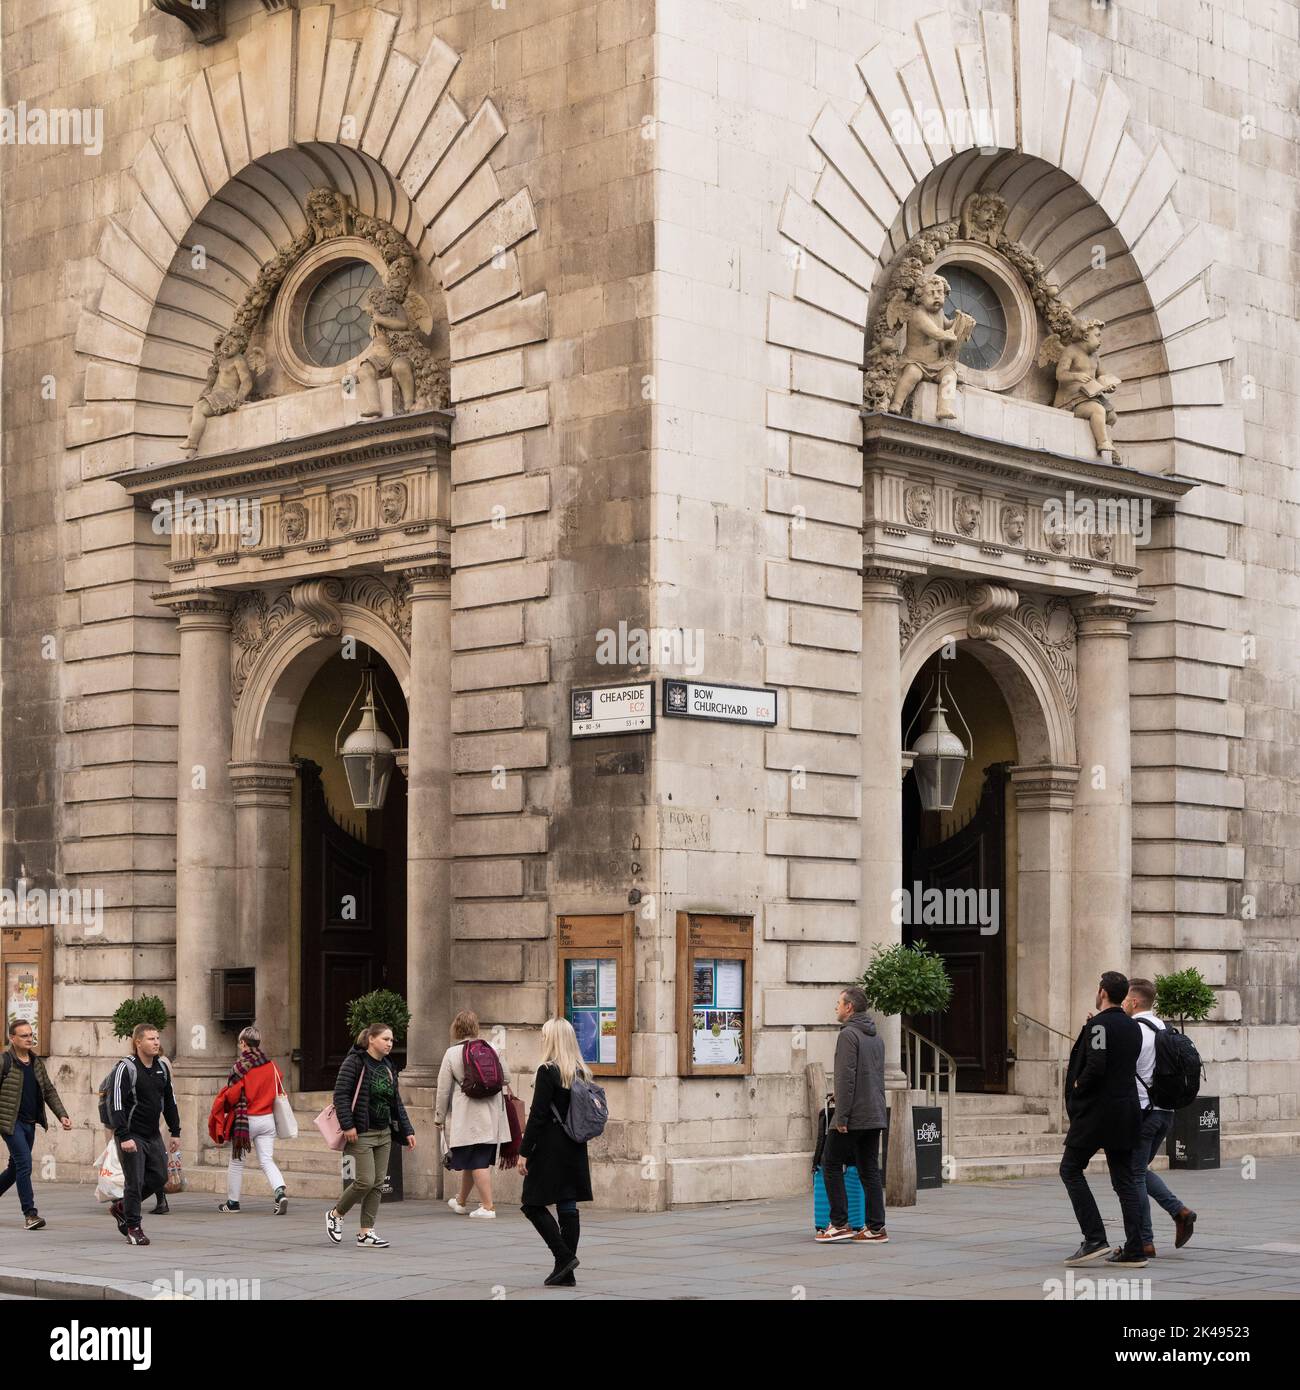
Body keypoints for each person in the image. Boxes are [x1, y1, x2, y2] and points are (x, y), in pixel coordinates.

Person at [1060, 971, 1146, 1267]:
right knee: (1125, 1182)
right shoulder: (1132, 1027)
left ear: (1103, 992)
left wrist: (1077, 1085)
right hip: (1126, 1111)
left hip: (1097, 1113)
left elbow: (1096, 1066)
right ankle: (1136, 1248)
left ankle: (1094, 1237)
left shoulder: (1098, 1025)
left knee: (1070, 1169)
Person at [324, 1024, 415, 1248]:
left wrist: (408, 1130)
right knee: (364, 1181)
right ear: (371, 1039)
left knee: (377, 1184)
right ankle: (336, 1214)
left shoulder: (388, 1065)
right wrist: (348, 1125)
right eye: (385, 1039)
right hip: (361, 1132)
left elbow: (396, 1102)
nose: (390, 1043)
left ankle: (366, 1232)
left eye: (392, 1040)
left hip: (384, 1133)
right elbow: (341, 1095)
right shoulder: (355, 1061)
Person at [1123, 978, 1197, 1255]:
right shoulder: (1166, 1028)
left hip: (1143, 1113)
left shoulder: (1134, 1032)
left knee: (1133, 1176)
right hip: (1166, 1112)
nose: (1123, 1005)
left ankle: (1145, 1240)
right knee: (1139, 1170)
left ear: (1134, 1001)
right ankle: (1180, 1212)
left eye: (1125, 1000)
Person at [518, 1017, 593, 1287]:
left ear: (552, 1039)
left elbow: (538, 1115)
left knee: (531, 1203)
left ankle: (563, 1257)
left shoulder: (547, 1070)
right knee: (567, 1204)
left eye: (544, 1034)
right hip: (574, 1145)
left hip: (550, 1146)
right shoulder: (580, 1071)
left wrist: (524, 1152)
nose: (541, 1038)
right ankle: (567, 1273)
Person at [815, 987, 888, 1245]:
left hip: (854, 1114)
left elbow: (846, 1078)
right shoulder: (876, 1037)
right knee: (869, 1169)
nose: (836, 1007)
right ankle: (876, 1228)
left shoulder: (848, 1035)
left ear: (849, 1007)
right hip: (875, 1112)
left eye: (839, 1003)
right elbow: (872, 1078)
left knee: (830, 1163)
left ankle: (838, 1223)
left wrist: (842, 1117)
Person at [105, 1024, 181, 1247]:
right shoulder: (125, 1068)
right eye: (150, 1039)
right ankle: (133, 1227)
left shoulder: (162, 1068)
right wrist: (123, 1135)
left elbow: (170, 1101)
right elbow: (115, 1104)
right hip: (131, 1134)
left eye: (157, 1038)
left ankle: (122, 1207)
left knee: (159, 1177)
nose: (156, 1042)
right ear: (138, 1042)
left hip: (152, 1134)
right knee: (134, 1181)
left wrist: (175, 1131)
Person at [435, 1009, 511, 1219]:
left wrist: (439, 1117)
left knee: (477, 1160)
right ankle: (460, 1201)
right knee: (471, 1158)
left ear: (456, 1029)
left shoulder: (452, 1053)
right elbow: (507, 1078)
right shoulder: (492, 1048)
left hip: (467, 1114)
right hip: (491, 1113)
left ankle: (488, 1207)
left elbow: (443, 1089)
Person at [208, 1025, 289, 1215]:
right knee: (267, 1160)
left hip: (247, 1121)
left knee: (237, 1162)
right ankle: (279, 1192)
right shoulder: (271, 1065)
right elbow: (278, 1085)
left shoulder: (241, 1067)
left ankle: (233, 1203)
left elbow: (233, 1095)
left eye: (239, 1043)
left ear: (244, 1043)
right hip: (267, 1119)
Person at [0, 1018, 71, 1230]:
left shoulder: (36, 1062)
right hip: (10, 1123)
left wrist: (62, 1115)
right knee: (24, 1164)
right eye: (24, 1035)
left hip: (30, 1123)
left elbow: (48, 1090)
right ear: (12, 1039)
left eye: (31, 1035)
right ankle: (30, 1214)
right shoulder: (5, 1062)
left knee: (15, 1168)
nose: (29, 1039)